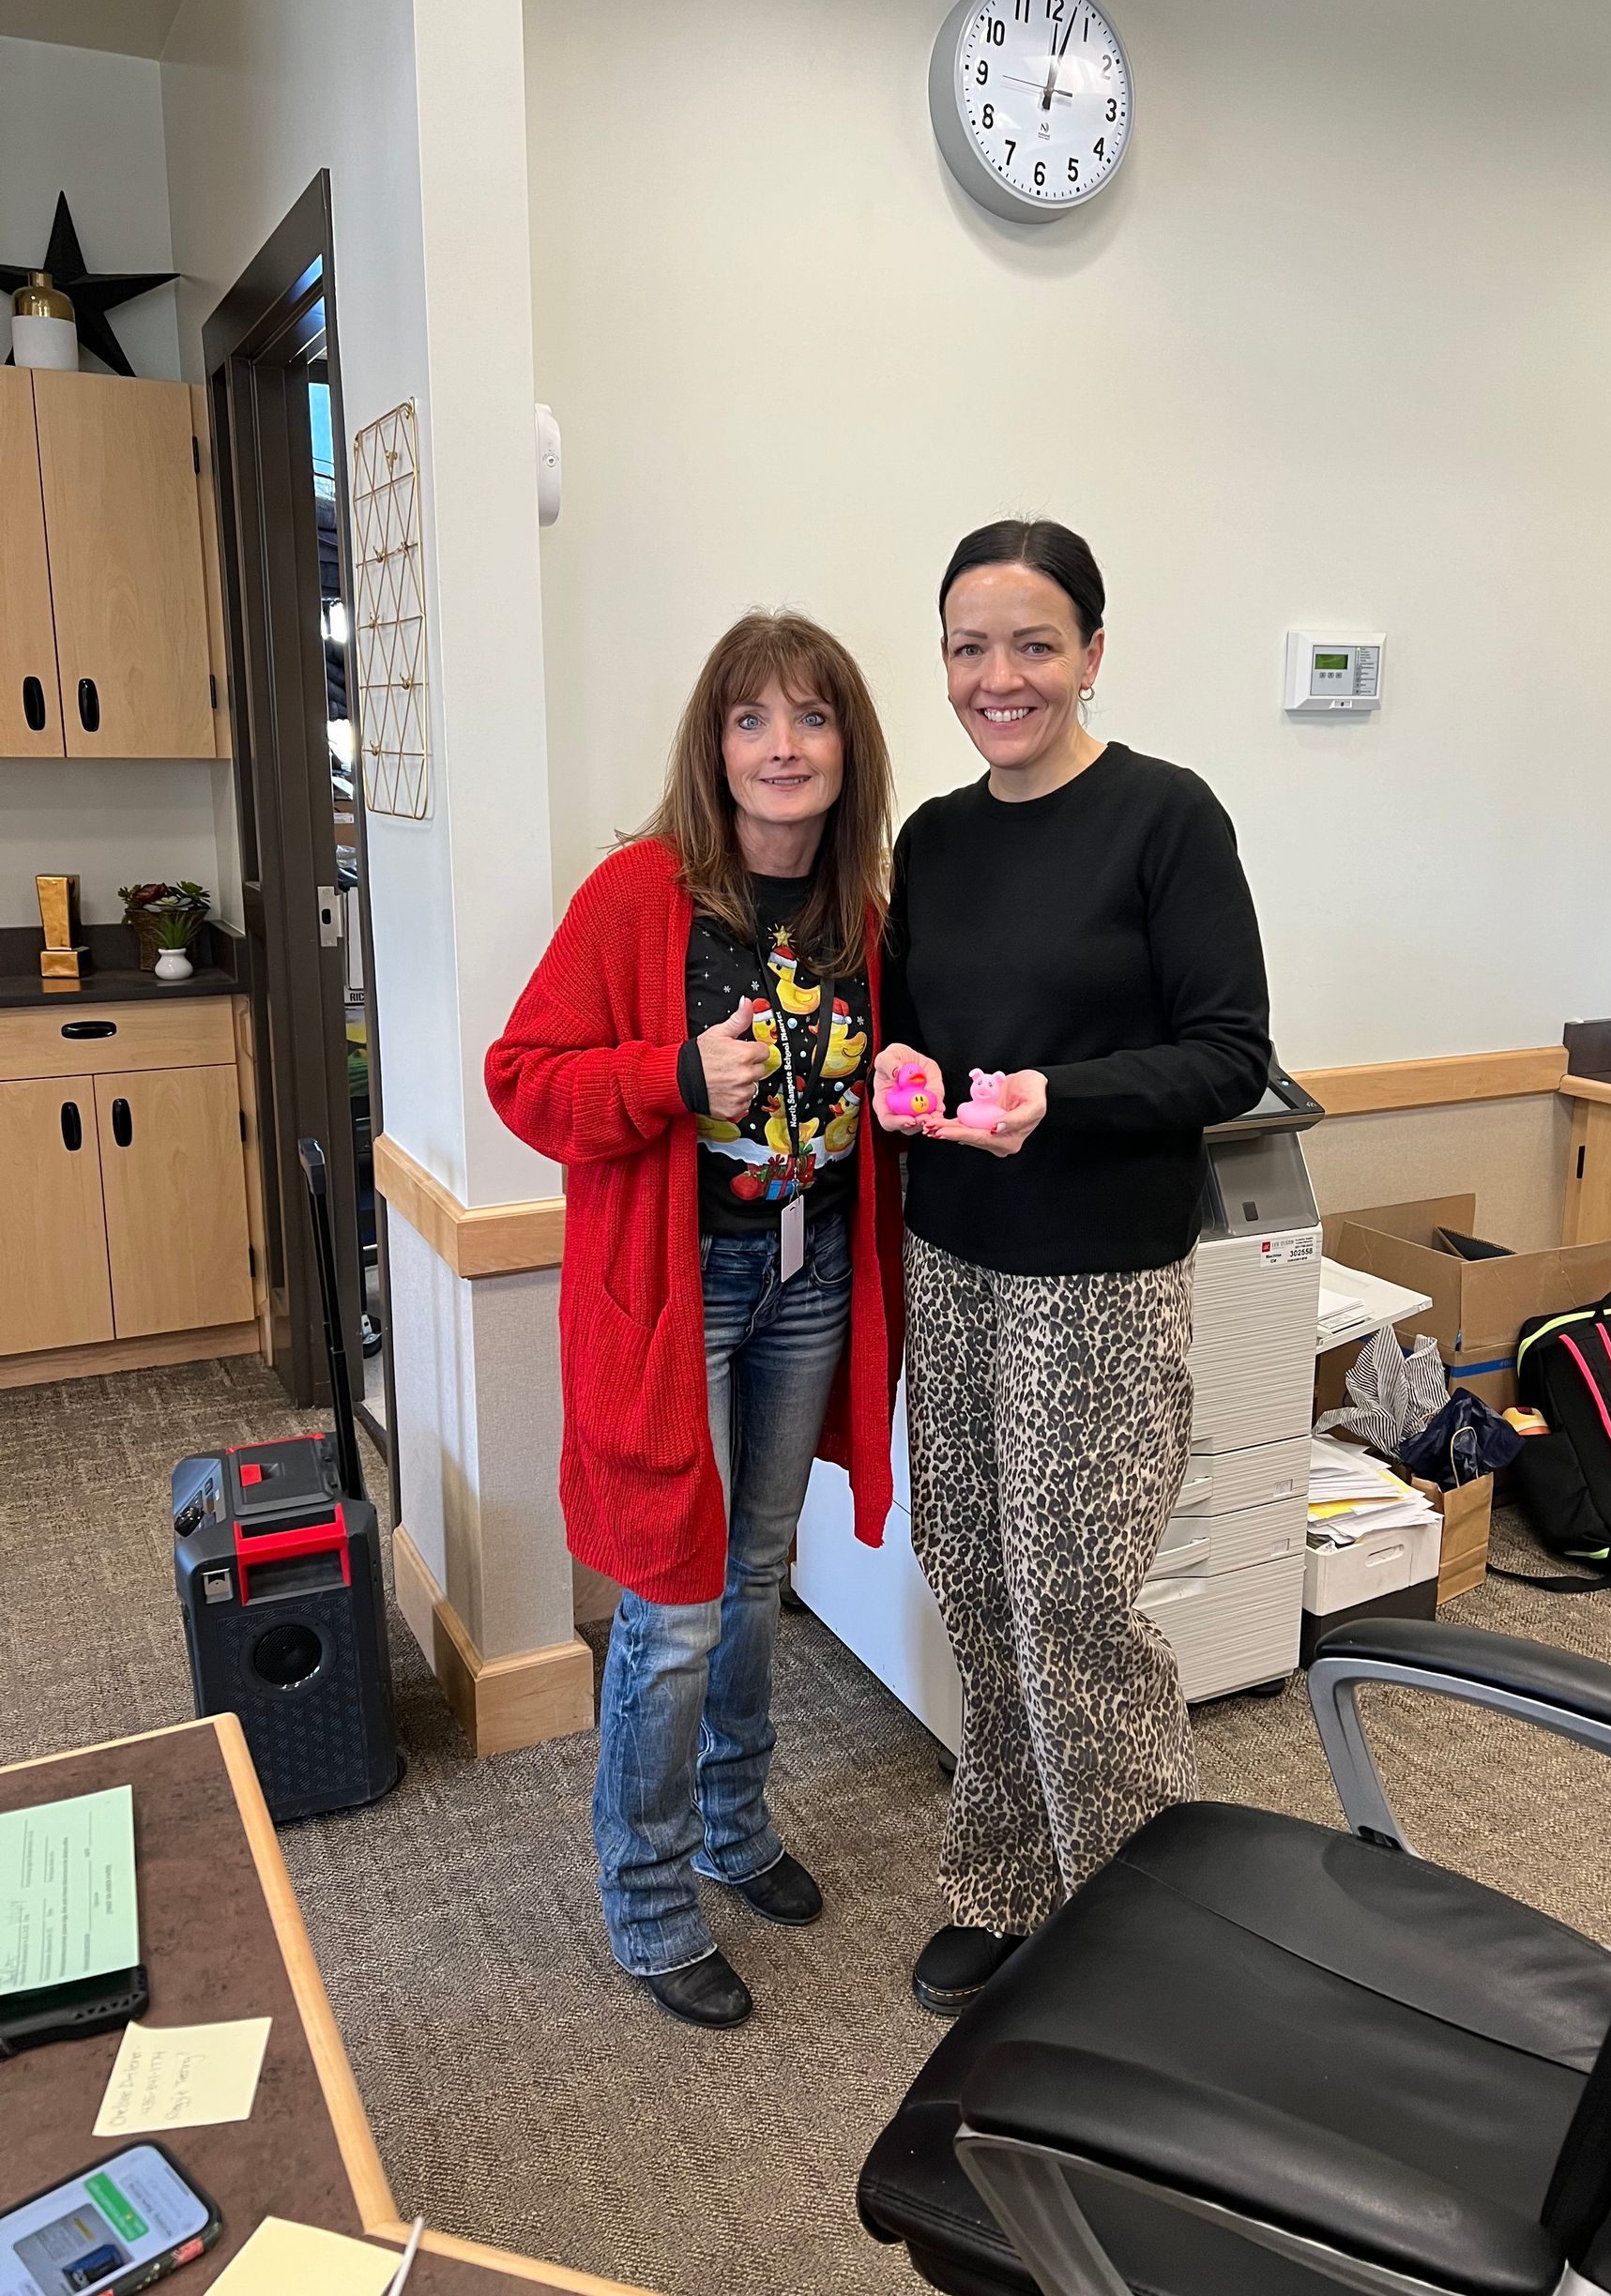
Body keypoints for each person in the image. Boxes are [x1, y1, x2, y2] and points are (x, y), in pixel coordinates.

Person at [874, 519, 1270, 2017]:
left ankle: (1137, 1931)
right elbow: (916, 1023)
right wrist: (908, 1071)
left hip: (1096, 1273)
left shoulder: (1167, 819)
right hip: (953, 1257)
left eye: (1034, 643)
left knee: (1073, 1606)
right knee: (971, 1578)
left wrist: (1064, 1094)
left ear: (1094, 652)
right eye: (970, 646)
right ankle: (1004, 1876)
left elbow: (1231, 1053)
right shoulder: (936, 837)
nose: (1000, 677)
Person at [488, 612, 902, 2030]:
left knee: (759, 1567)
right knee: (669, 1608)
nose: (781, 747)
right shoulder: (639, 897)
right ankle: (649, 1893)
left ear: (849, 748)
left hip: (809, 1277)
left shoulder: (863, 913)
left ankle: (734, 1825)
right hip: (679, 1295)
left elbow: (883, 1086)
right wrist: (668, 1074)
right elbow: (524, 1080)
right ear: (713, 747)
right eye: (751, 720)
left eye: (810, 718)